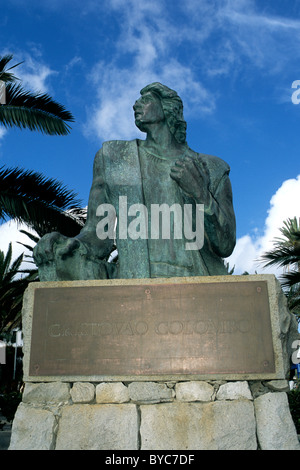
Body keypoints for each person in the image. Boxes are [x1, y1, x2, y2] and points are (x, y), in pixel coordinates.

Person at [33, 82, 236, 281]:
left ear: (168, 109)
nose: (136, 104)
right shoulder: (113, 158)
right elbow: (98, 235)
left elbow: (225, 245)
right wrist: (68, 244)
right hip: (135, 281)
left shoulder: (212, 168)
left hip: (198, 282)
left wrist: (201, 195)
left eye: (146, 99)